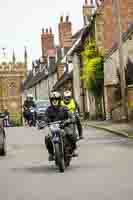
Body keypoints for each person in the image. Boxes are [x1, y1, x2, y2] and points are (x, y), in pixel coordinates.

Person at [44, 91, 78, 161]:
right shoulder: (48, 110)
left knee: (71, 134)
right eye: (53, 100)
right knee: (47, 138)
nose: (54, 101)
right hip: (54, 127)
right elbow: (45, 117)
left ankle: (73, 149)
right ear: (51, 101)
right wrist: (43, 122)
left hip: (64, 126)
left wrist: (69, 120)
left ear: (59, 100)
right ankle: (51, 154)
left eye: (56, 99)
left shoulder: (64, 108)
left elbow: (71, 116)